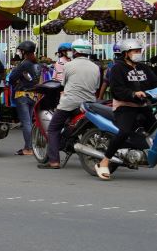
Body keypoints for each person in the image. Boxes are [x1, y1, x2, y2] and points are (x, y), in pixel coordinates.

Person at [96, 38, 157, 180]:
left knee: (153, 131)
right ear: (126, 53)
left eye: (140, 51)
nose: (139, 53)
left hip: (143, 106)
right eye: (136, 51)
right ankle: (104, 161)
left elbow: (154, 83)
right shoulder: (117, 68)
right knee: (123, 132)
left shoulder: (144, 68)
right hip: (125, 107)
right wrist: (133, 94)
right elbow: (117, 90)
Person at [42, 39, 99, 170]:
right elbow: (96, 86)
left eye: (72, 50)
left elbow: (63, 84)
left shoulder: (68, 65)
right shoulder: (95, 67)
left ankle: (54, 161)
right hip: (89, 103)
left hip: (70, 103)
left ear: (76, 51)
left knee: (53, 129)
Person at [9, 40, 41, 157]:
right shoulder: (37, 64)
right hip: (33, 95)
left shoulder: (24, 64)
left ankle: (28, 148)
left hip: (22, 95)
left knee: (26, 123)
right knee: (31, 122)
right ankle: (33, 145)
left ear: (24, 51)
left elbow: (12, 78)